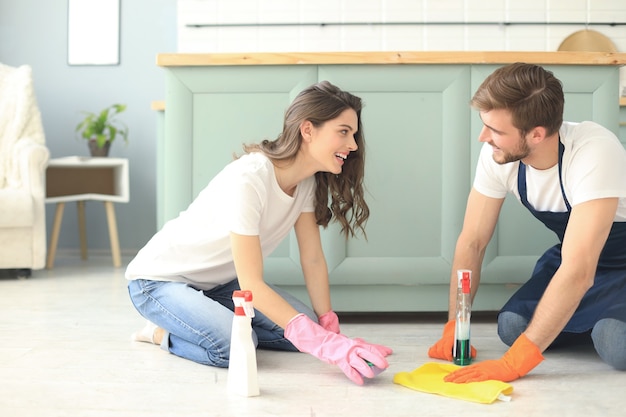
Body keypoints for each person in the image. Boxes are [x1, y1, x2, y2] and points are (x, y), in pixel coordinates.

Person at [126, 81, 391, 385]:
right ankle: (159, 333)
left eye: (354, 134)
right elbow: (251, 282)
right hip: (159, 281)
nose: (354, 145)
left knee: (307, 331)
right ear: (308, 130)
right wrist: (323, 344)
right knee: (235, 347)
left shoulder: (305, 183)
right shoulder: (250, 177)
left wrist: (330, 332)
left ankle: (208, 318)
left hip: (220, 284)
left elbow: (313, 259)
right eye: (344, 132)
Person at [428, 63, 626, 383]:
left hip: (604, 264)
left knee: (616, 343)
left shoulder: (594, 151)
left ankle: (602, 325)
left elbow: (579, 270)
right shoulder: (499, 153)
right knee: (512, 326)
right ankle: (589, 321)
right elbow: (472, 242)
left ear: (536, 134)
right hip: (576, 261)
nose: (483, 137)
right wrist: (457, 324)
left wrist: (514, 364)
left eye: (496, 131)